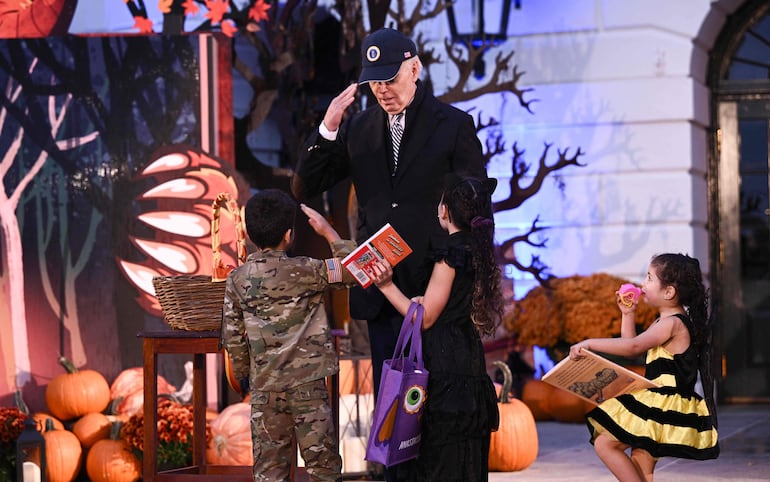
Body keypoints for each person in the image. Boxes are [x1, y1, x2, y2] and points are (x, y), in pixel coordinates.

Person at [291, 24, 487, 409]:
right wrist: (328, 127)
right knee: (393, 410)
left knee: (436, 408)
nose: (382, 90)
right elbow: (304, 188)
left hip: (436, 289)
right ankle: (393, 473)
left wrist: (467, 274)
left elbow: (477, 206)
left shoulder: (453, 124)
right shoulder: (359, 128)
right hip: (379, 287)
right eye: (373, 82)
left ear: (414, 69)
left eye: (390, 79)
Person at [369, 174, 502, 482]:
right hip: (467, 356)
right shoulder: (476, 249)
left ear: (445, 210)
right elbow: (449, 302)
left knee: (438, 456)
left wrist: (387, 286)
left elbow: (425, 318)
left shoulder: (451, 254)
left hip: (443, 360)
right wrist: (424, 301)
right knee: (465, 453)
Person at [221, 189, 357, 482]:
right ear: (289, 234)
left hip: (264, 389)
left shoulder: (237, 279)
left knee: (269, 474)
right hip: (308, 387)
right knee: (323, 471)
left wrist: (246, 376)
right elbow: (353, 269)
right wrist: (328, 231)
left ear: (249, 233)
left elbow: (232, 336)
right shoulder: (308, 270)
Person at [568, 253, 720, 482]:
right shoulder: (664, 322)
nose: (643, 284)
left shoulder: (673, 323)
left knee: (605, 443)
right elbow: (635, 347)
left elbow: (632, 346)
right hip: (658, 400)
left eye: (649, 278)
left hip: (665, 403)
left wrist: (589, 343)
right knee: (641, 464)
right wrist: (628, 314)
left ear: (669, 292)